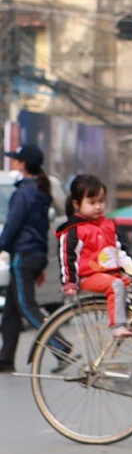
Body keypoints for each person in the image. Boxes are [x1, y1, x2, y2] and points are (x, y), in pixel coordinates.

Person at [56, 175, 132, 337]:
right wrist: (69, 283)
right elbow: (67, 257)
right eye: (92, 203)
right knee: (117, 285)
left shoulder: (107, 225)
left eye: (101, 201)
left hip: (108, 274)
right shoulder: (74, 230)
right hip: (88, 277)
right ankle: (118, 325)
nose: (98, 207)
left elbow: (117, 249)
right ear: (77, 204)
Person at [0, 144, 53, 372]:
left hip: (23, 254)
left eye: (16, 160)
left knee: (25, 305)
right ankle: (5, 358)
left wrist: (1, 244)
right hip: (34, 253)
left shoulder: (24, 193)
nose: (13, 163)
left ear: (23, 164)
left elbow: (13, 226)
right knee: (11, 311)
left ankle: (61, 345)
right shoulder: (41, 192)